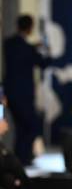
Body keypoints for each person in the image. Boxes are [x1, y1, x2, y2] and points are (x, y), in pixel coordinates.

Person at [4, 14, 50, 165]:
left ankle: (20, 158)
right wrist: (45, 50)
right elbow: (44, 63)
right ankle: (22, 158)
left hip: (9, 93)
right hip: (23, 94)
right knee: (31, 126)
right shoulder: (27, 48)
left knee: (21, 127)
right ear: (30, 28)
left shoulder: (8, 44)